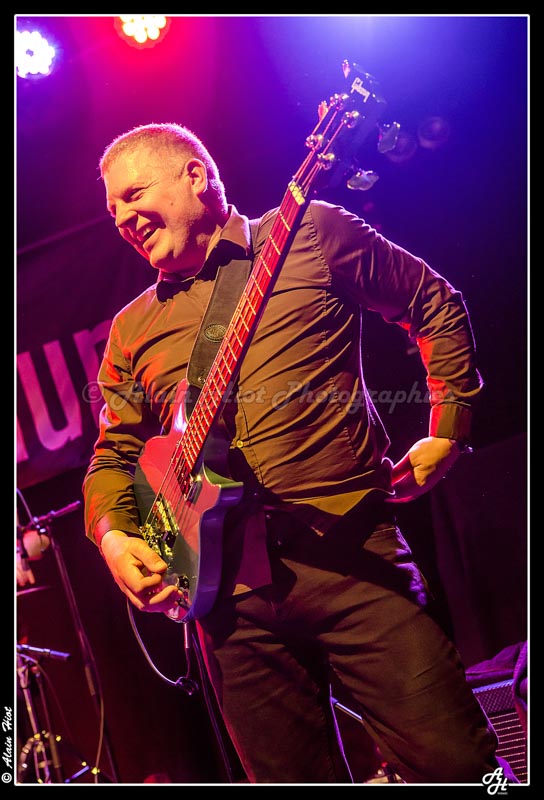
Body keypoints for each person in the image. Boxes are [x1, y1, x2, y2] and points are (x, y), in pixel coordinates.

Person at [83, 122, 506, 784]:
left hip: (353, 559)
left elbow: (433, 302)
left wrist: (447, 429)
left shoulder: (313, 234)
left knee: (459, 766)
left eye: (133, 195)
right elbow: (113, 456)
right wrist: (114, 541)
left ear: (194, 176)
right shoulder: (131, 330)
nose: (122, 219)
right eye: (112, 210)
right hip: (228, 606)